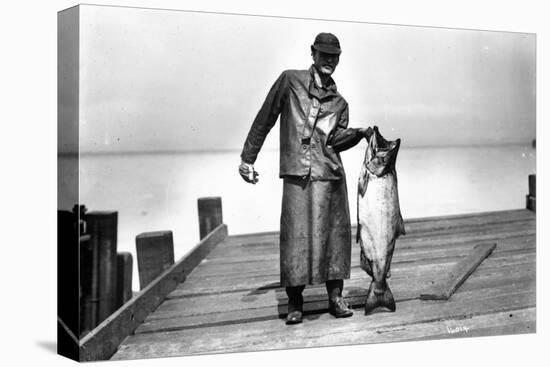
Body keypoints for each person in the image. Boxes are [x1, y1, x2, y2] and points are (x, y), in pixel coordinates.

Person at [239, 33, 373, 324]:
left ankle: (336, 298)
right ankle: (295, 302)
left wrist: (358, 135)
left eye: (334, 56)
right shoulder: (290, 81)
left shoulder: (340, 103)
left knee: (335, 236)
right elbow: (265, 118)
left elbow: (334, 140)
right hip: (297, 173)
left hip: (330, 175)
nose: (329, 61)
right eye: (324, 54)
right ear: (312, 53)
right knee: (295, 237)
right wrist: (247, 158)